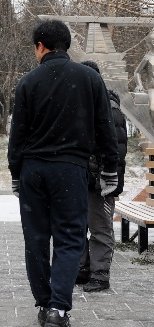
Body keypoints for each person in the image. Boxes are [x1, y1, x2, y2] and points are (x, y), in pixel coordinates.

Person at [7, 20, 119, 327]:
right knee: (70, 238)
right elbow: (104, 128)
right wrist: (110, 168)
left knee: (37, 240)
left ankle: (45, 305)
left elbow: (18, 136)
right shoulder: (89, 78)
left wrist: (17, 174)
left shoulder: (28, 82)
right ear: (65, 46)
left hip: (33, 171)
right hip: (70, 169)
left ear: (41, 46)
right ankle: (58, 308)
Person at [76, 61, 128, 292]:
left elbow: (116, 149)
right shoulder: (84, 105)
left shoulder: (109, 108)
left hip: (101, 181)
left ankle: (100, 274)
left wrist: (108, 181)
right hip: (83, 178)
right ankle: (83, 269)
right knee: (78, 226)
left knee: (99, 227)